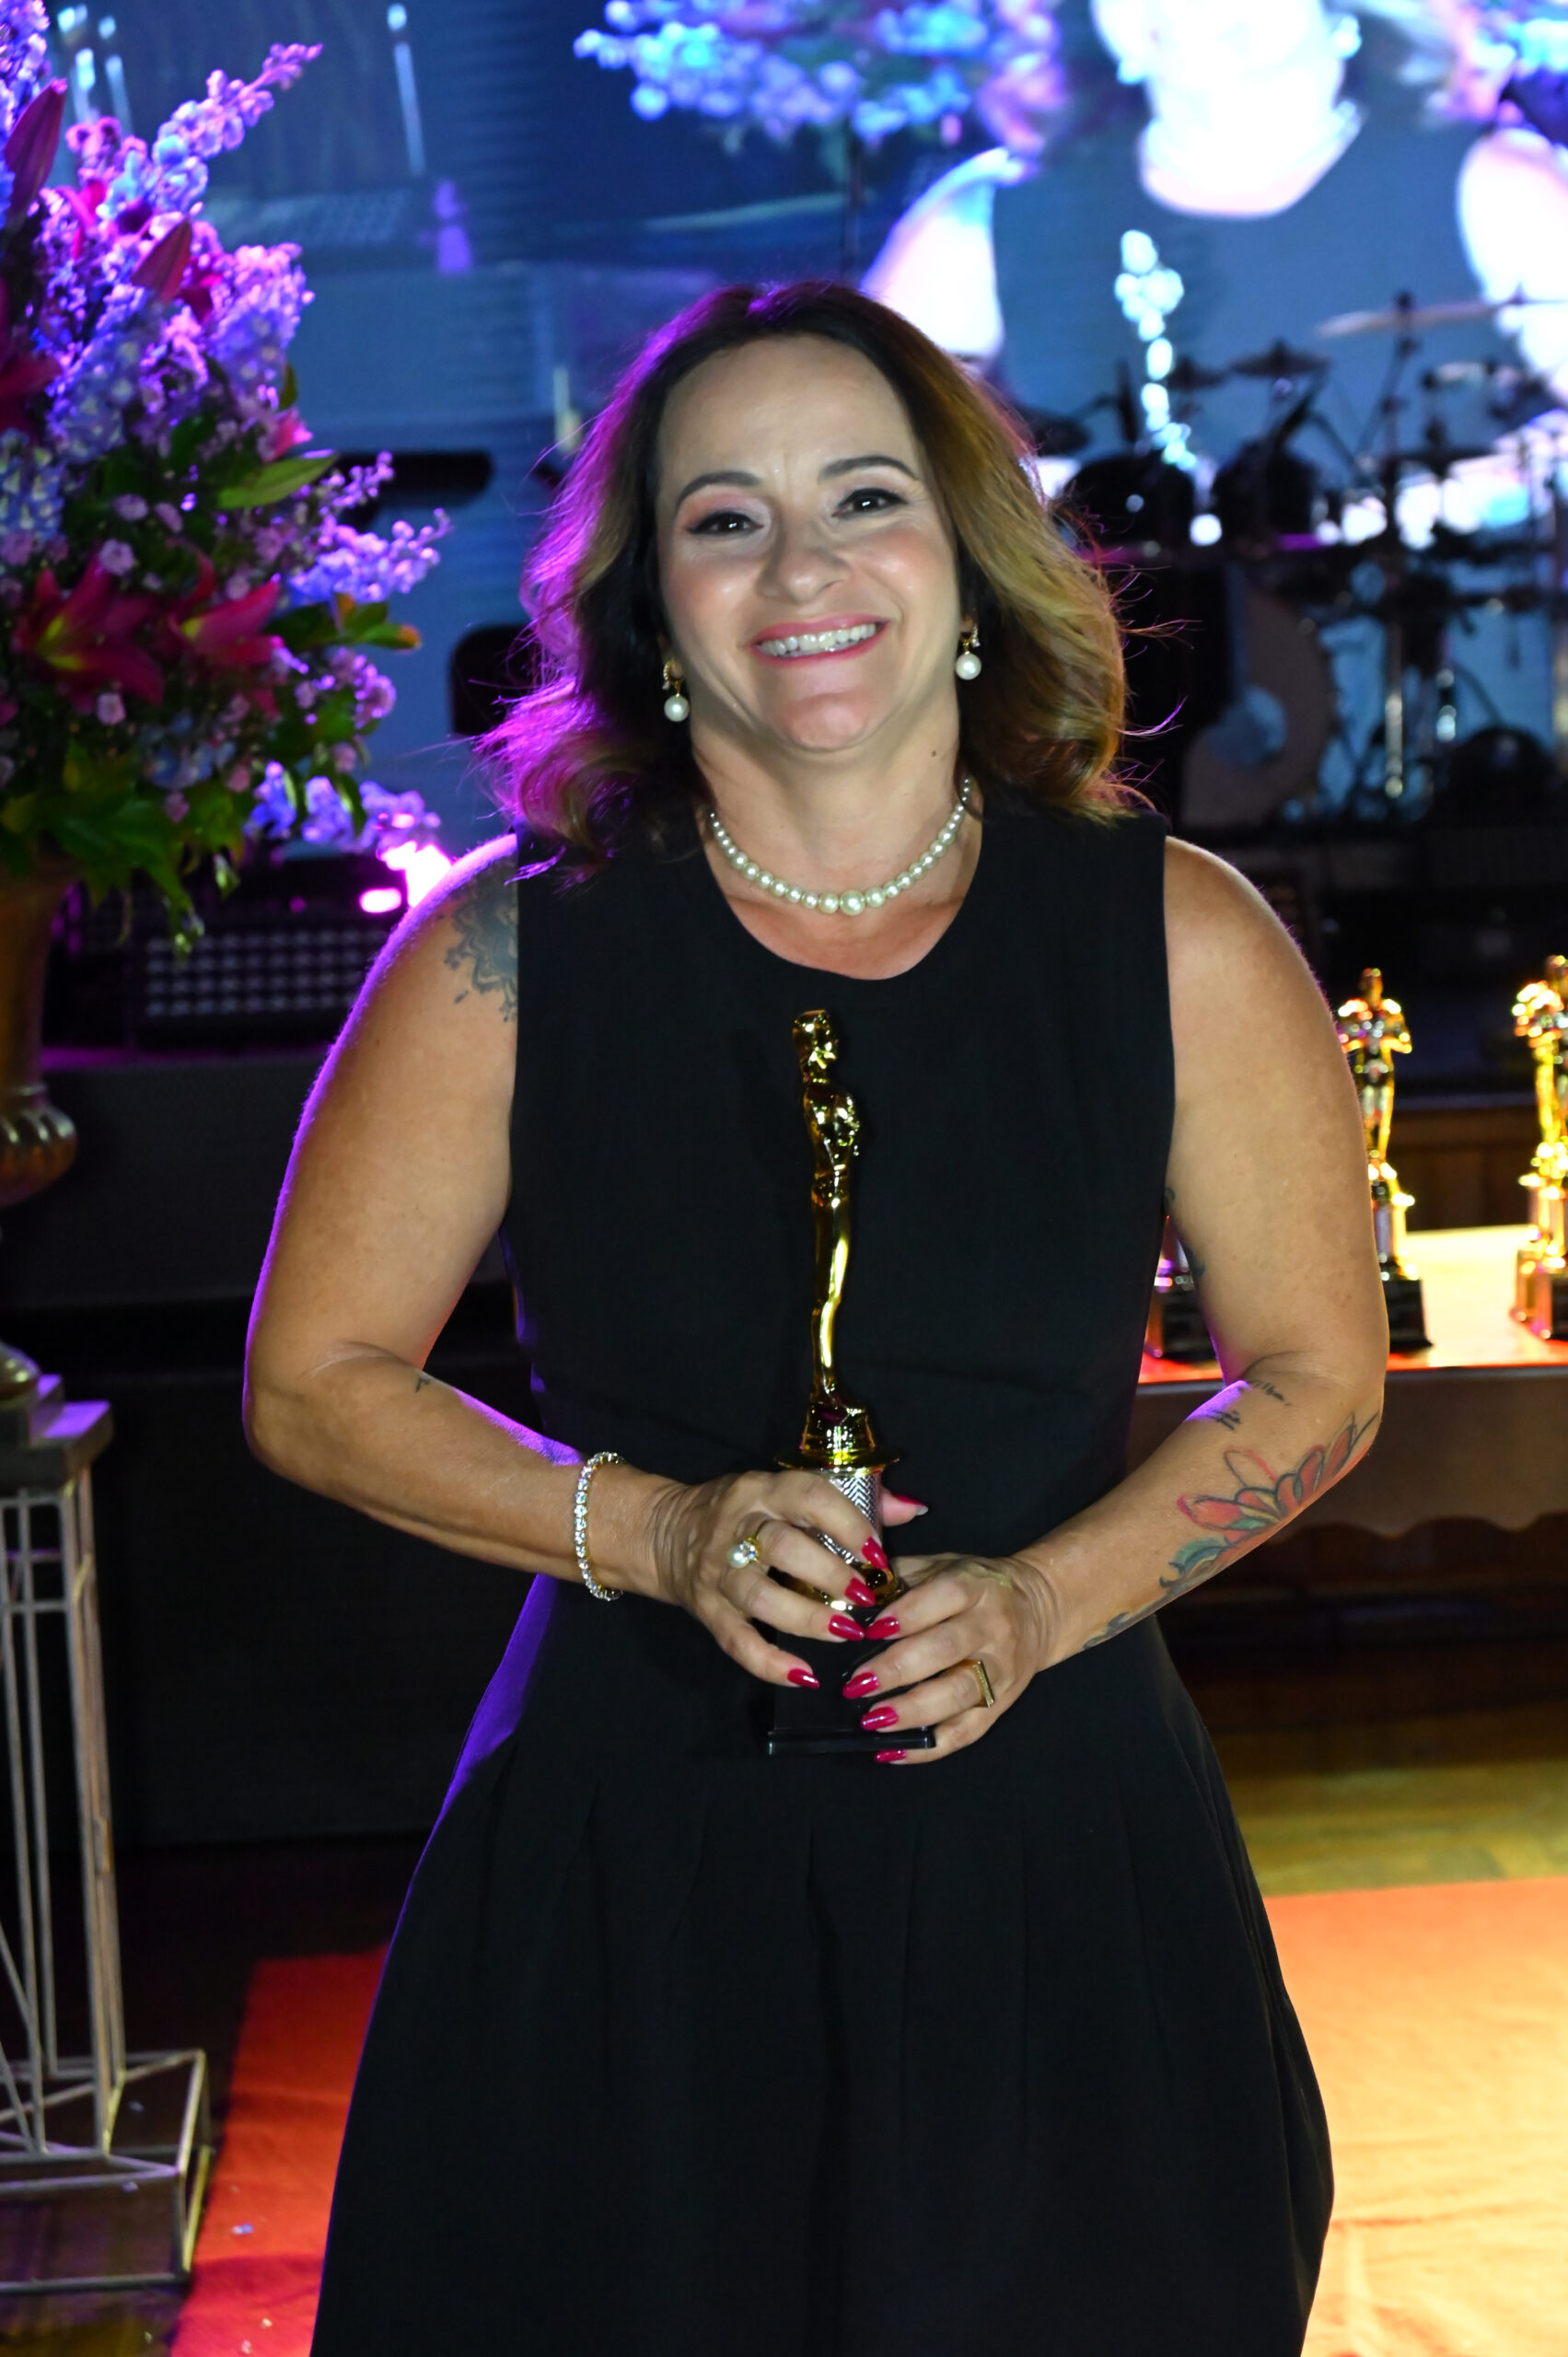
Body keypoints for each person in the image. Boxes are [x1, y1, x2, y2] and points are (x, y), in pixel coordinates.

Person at [244, 280, 1388, 2353]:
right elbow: (312, 1383)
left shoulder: (1181, 939)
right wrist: (655, 1531)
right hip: (626, 1876)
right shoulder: (506, 959)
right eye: (725, 519)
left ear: (967, 557)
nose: (801, 570)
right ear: (649, 605)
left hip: (1055, 1860)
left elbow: (1316, 1376)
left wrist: (1043, 1601)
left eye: (863, 497)